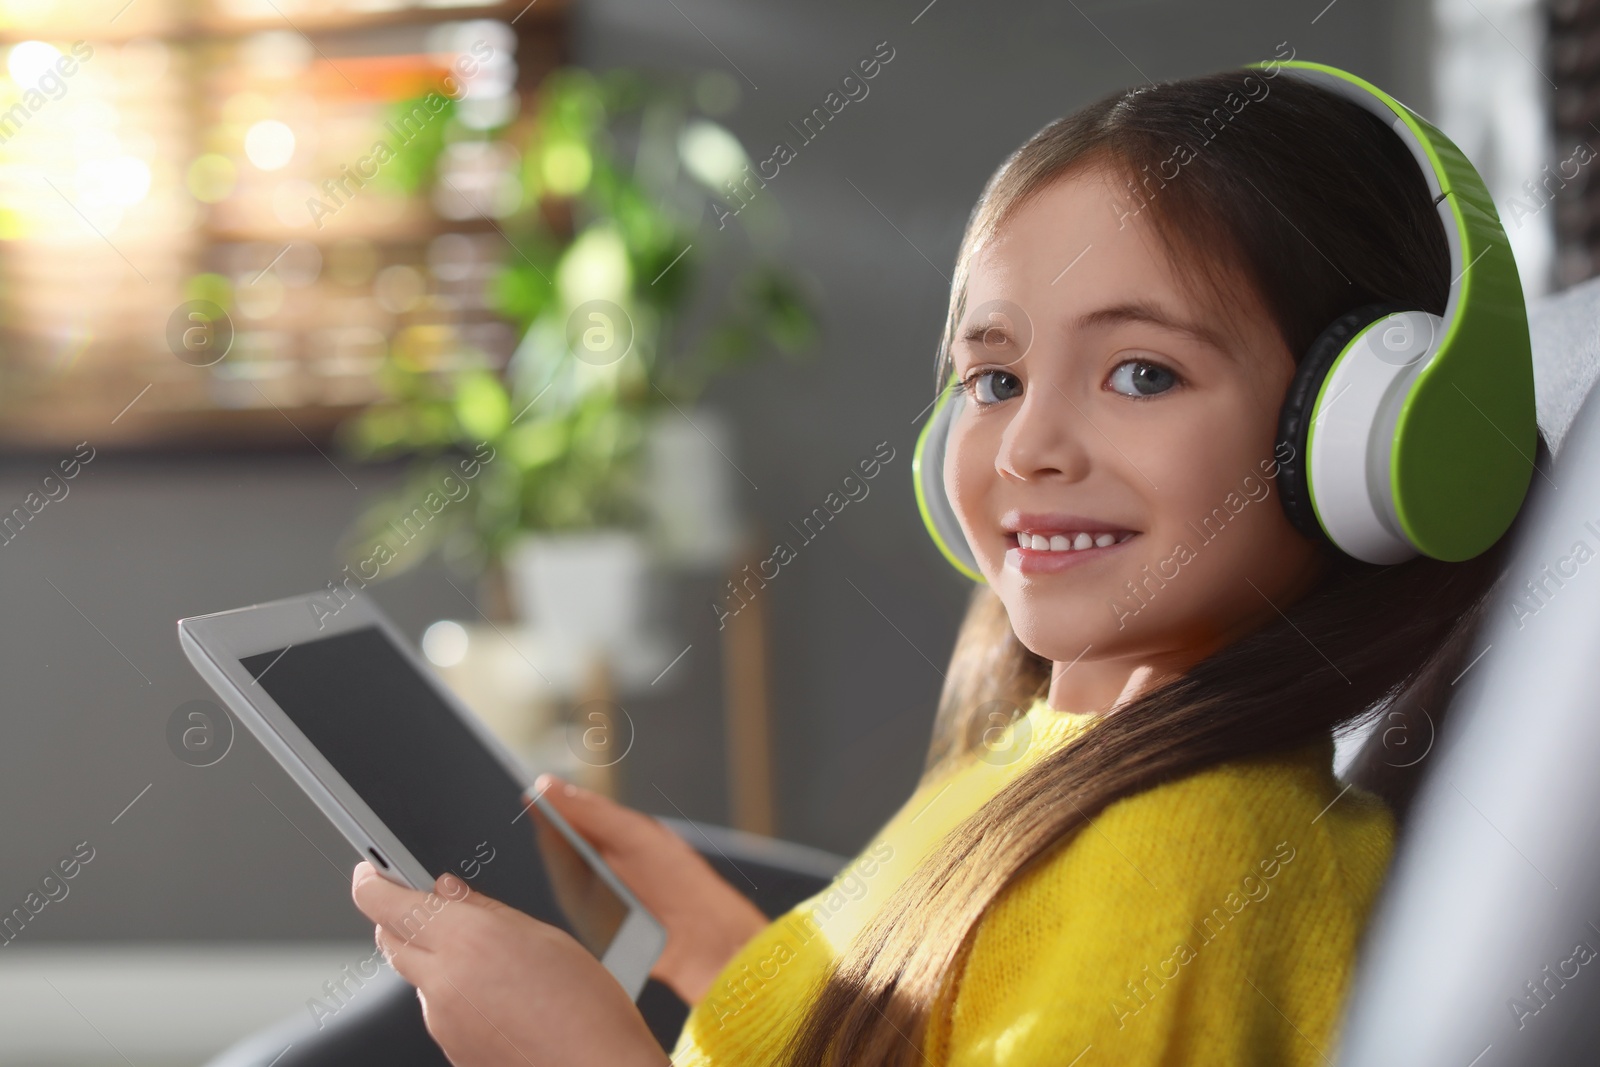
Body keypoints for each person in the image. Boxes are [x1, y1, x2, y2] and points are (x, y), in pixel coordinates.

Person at [349, 63, 1547, 1066]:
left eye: (1141, 372)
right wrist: (724, 950)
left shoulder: (1193, 858)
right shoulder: (1045, 753)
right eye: (994, 379)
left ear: (1366, 435)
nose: (1029, 443)